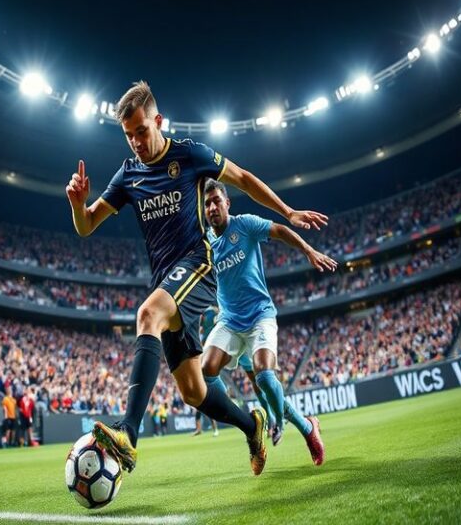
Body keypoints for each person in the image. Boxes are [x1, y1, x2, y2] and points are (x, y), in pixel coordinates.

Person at [66, 80, 329, 475]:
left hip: (197, 264)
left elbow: (241, 177)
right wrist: (77, 204)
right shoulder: (127, 175)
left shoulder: (189, 154)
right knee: (192, 391)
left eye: (141, 131)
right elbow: (86, 226)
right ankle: (251, 425)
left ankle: (128, 436)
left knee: (146, 316)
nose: (136, 141)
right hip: (167, 281)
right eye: (128, 135)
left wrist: (287, 211)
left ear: (158, 121)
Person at [201, 179, 336, 464]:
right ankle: (253, 427)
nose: (212, 207)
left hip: (260, 315)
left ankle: (303, 427)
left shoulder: (245, 224)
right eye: (207, 203)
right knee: (206, 371)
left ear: (228, 203)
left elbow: (280, 230)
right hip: (229, 321)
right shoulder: (206, 243)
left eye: (216, 201)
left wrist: (308, 251)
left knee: (264, 375)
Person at [194, 306, 220, 437]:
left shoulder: (211, 313)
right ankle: (199, 429)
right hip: (202, 382)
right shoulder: (201, 334)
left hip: (206, 382)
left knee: (209, 409)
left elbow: (217, 310)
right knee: (199, 409)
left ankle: (215, 429)